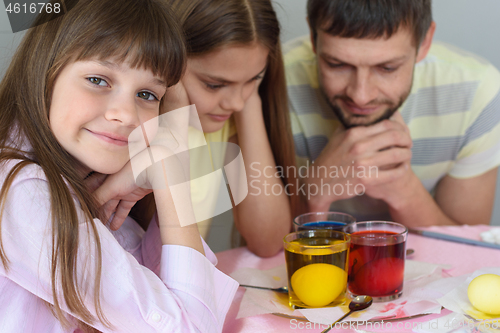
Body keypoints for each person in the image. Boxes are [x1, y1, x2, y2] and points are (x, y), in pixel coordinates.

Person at [0, 0, 237, 332]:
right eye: (98, 80)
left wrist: (158, 154)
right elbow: (189, 327)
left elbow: (155, 288)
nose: (125, 114)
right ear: (43, 72)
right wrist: (171, 169)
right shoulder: (23, 192)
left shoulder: (89, 178)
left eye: (146, 94)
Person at [284, 0, 500, 226]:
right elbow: (264, 250)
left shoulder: (476, 94)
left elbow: (469, 251)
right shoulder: (267, 81)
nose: (361, 96)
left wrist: (405, 192)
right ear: (313, 38)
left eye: (387, 68)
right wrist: (314, 194)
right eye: (336, 64)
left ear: (424, 42)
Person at [163, 0, 302, 257]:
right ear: (164, 55)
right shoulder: (122, 124)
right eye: (214, 85)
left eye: (254, 78)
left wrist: (250, 105)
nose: (236, 102)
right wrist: (172, 120)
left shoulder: (227, 115)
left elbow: (268, 240)